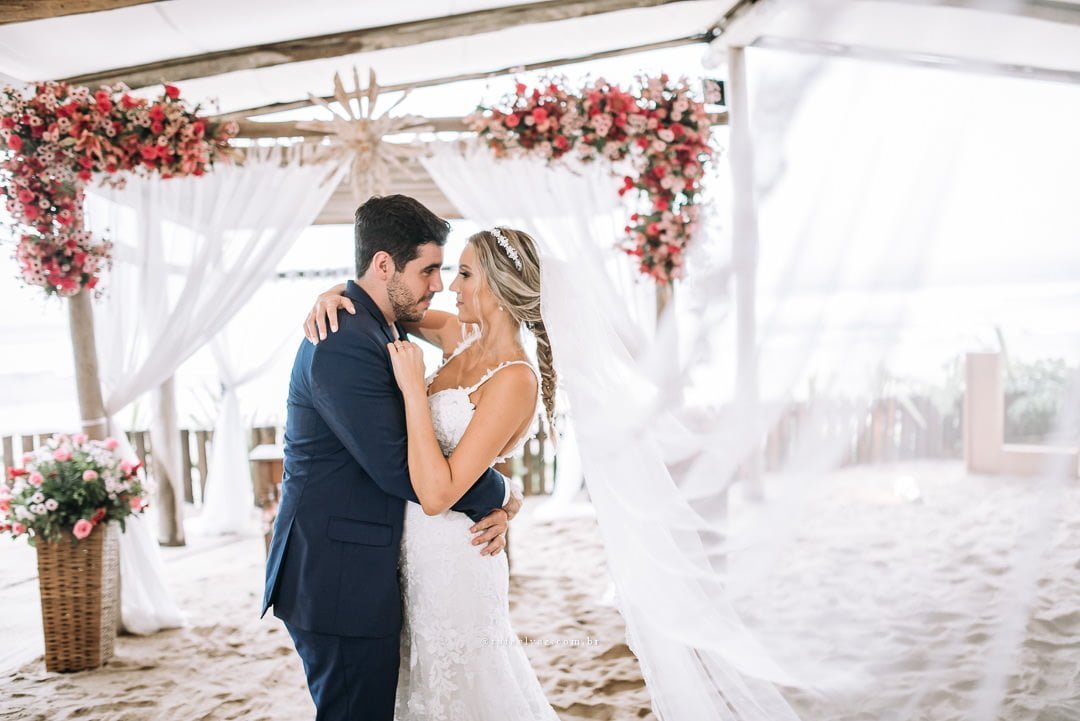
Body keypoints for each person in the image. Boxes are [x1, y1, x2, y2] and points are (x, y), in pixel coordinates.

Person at [263, 195, 522, 721]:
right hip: (336, 573)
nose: (439, 285)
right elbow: (401, 467)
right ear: (384, 265)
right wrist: (504, 495)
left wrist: (336, 289)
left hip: (379, 564)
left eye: (453, 272)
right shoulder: (344, 339)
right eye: (429, 269)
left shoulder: (379, 323)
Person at [305, 225, 560, 720]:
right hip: (404, 550)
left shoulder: (514, 379)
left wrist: (411, 389)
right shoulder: (457, 336)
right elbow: (382, 302)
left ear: (501, 287)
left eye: (464, 274)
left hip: (455, 556)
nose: (450, 286)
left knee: (459, 688)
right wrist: (329, 294)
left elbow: (439, 493)